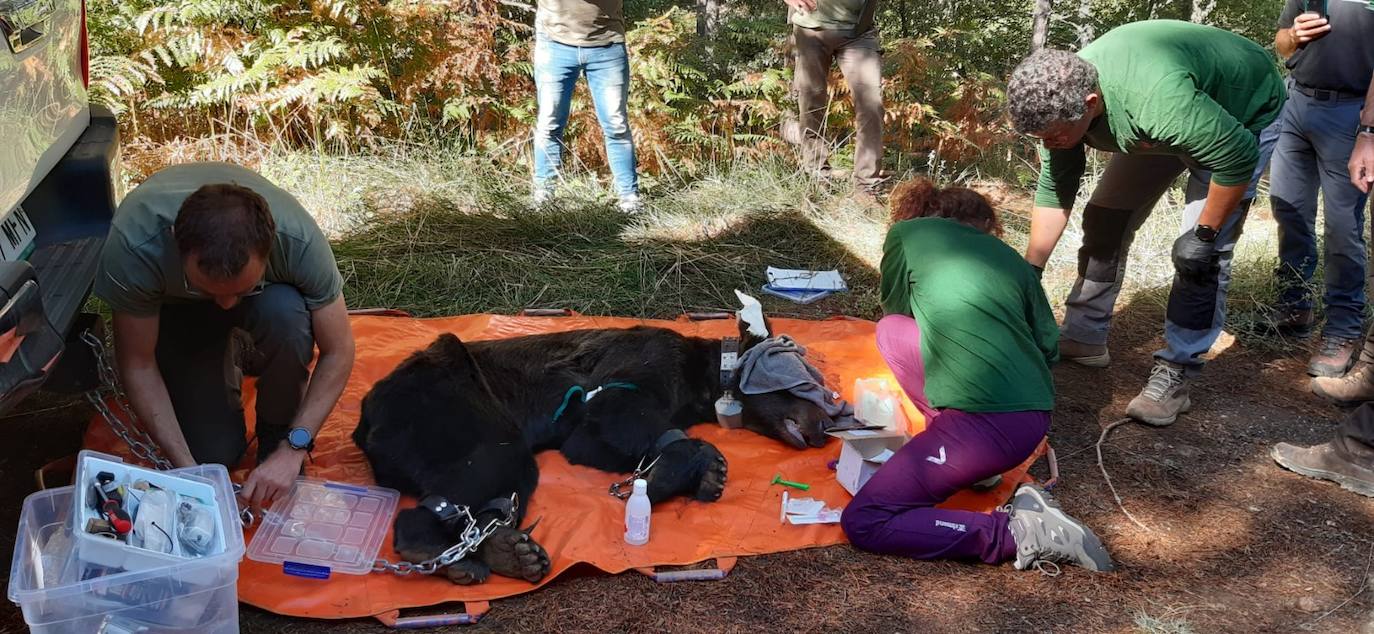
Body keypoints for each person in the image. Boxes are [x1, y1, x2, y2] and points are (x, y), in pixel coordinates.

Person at [1007, 20, 1285, 427]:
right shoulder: (1057, 107)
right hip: (1169, 118)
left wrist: (1204, 233)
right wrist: (1030, 270)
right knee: (1106, 219)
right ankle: (1084, 337)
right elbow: (1056, 188)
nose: (1048, 143)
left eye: (1054, 136)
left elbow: (1237, 157)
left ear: (1090, 102)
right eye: (1040, 137)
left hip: (1239, 116)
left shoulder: (1157, 102)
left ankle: (1177, 372)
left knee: (1201, 255)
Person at [840, 178, 1113, 575]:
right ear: (985, 225)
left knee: (868, 520)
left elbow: (898, 307)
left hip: (986, 426)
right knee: (894, 331)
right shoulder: (1014, 261)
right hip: (1032, 413)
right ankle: (976, 465)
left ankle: (1021, 533)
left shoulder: (905, 233)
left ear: (927, 213)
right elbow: (1048, 346)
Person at [94, 162, 355, 507]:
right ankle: (216, 355)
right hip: (177, 315)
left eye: (242, 289)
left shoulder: (298, 238)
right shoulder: (135, 248)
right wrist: (188, 471)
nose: (226, 304)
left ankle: (277, 429)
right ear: (176, 244)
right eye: (206, 288)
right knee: (213, 455)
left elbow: (339, 350)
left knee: (286, 314)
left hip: (271, 308)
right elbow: (138, 364)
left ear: (270, 245)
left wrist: (294, 448)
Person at [1267, 1, 1374, 378]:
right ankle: (1294, 304)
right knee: (1288, 208)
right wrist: (1294, 35)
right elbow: (1281, 43)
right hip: (1295, 102)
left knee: (1342, 225)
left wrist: (1369, 133)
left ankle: (1343, 328)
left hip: (1352, 112)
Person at [531, 0, 642, 213]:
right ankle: (544, 197)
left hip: (607, 44)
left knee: (616, 125)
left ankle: (629, 198)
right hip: (553, 40)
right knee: (549, 122)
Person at [782, 0, 884, 193]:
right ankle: (818, 177)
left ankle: (866, 187)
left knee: (872, 105)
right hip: (810, 27)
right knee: (811, 104)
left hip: (859, 31)